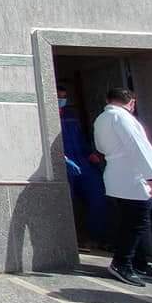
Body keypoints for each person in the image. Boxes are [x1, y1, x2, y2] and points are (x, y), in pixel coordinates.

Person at [93, 87, 152, 287]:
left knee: (131, 222)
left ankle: (139, 263)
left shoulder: (101, 118)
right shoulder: (123, 118)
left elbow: (100, 147)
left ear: (108, 100)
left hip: (115, 175)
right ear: (132, 102)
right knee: (136, 223)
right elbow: (139, 147)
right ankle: (122, 263)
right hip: (132, 177)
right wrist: (151, 176)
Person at [57, 86, 108, 248]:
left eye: (64, 97)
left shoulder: (71, 116)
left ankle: (96, 238)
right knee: (67, 202)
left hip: (83, 161)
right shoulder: (46, 116)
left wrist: (90, 153)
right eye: (58, 97)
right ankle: (72, 240)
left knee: (98, 197)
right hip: (63, 162)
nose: (61, 100)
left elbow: (81, 137)